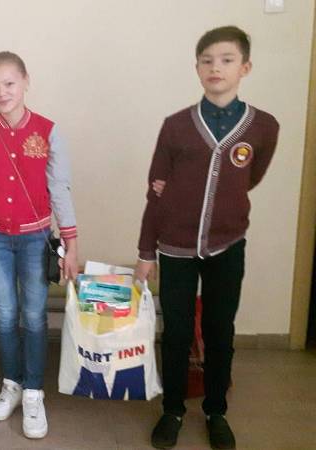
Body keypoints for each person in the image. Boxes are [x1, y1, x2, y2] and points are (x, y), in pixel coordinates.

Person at [135, 26, 279, 450]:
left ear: (245, 67)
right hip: (175, 248)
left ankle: (217, 410)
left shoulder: (263, 126)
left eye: (227, 60)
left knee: (219, 330)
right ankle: (173, 410)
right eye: (207, 60)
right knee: (177, 331)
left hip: (227, 247)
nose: (216, 68)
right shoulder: (176, 126)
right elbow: (156, 192)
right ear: (197, 68)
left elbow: (249, 177)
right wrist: (146, 251)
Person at [0, 51, 79, 439]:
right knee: (6, 315)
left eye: (9, 83)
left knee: (35, 315)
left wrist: (71, 245)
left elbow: (59, 188)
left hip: (34, 239)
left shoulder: (47, 131)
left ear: (26, 81)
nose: (2, 92)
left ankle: (33, 392)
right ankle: (11, 384)